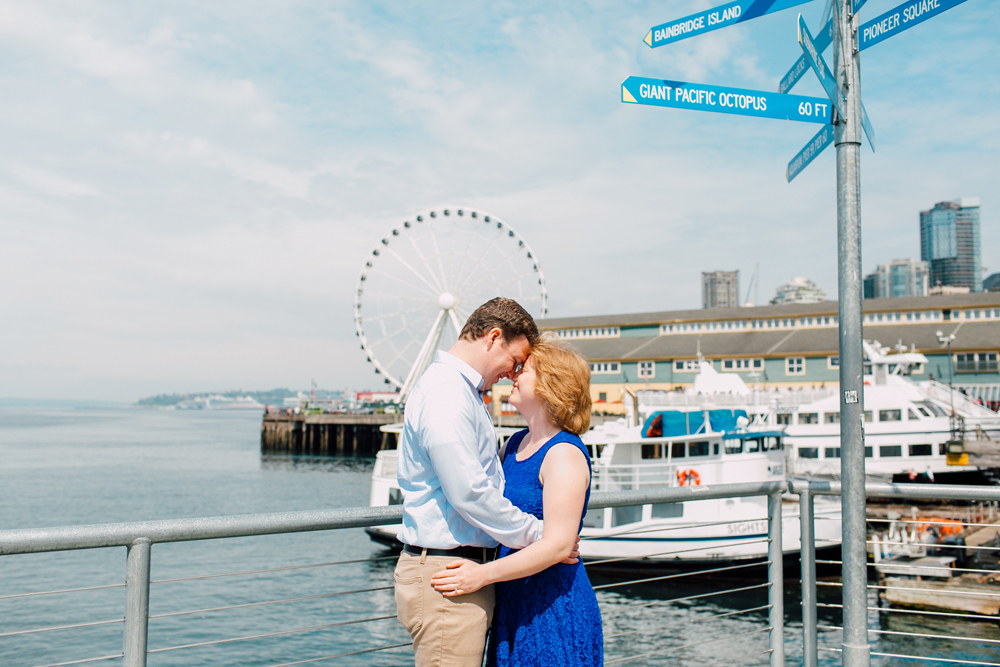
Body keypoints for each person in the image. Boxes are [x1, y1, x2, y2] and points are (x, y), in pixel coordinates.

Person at [394, 298, 578, 667]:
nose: (513, 372)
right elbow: (469, 492)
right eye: (516, 359)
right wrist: (543, 537)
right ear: (494, 337)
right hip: (450, 577)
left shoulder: (459, 391)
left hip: (459, 572)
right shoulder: (448, 393)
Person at [431, 333, 603, 666]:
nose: (513, 374)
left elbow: (557, 545)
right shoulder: (515, 443)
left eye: (524, 369)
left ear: (549, 384)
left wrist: (481, 575)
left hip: (552, 604)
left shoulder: (563, 454)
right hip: (513, 597)